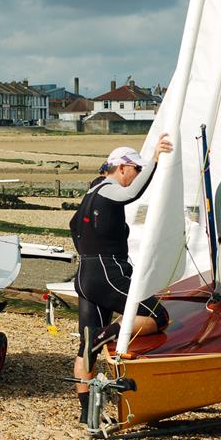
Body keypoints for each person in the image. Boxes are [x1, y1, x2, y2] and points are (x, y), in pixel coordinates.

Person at [71, 135, 173, 424]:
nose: (137, 175)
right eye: (136, 170)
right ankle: (104, 335)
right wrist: (154, 157)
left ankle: (87, 413)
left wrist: (88, 253)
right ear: (123, 167)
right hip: (106, 273)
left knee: (85, 346)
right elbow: (133, 194)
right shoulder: (110, 189)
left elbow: (72, 226)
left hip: (86, 274)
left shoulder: (91, 192)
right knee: (159, 316)